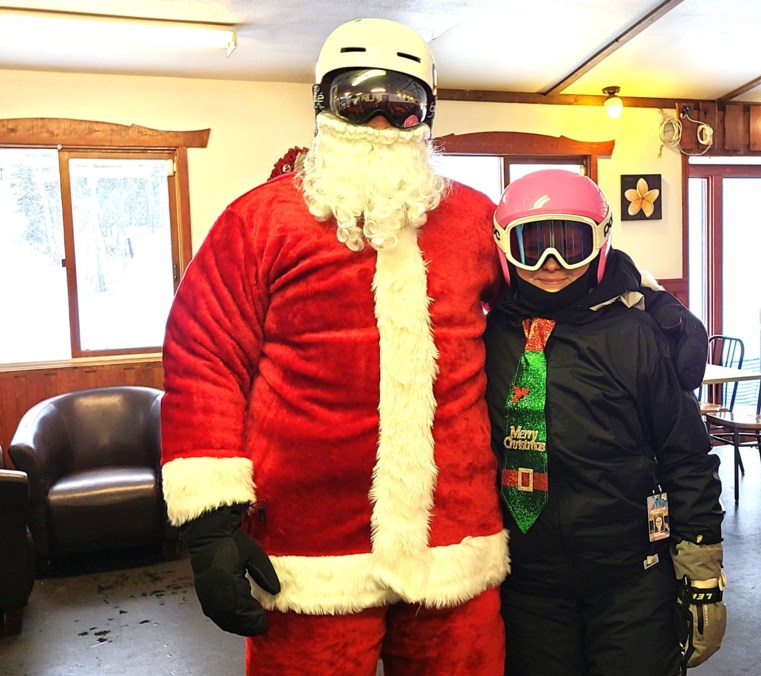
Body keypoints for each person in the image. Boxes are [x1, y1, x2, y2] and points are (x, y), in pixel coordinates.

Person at [161, 17, 708, 676]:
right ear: (322, 106)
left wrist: (657, 308)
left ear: (427, 113)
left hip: (455, 545)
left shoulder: (473, 219)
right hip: (313, 551)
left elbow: (556, 274)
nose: (384, 123)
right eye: (360, 100)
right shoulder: (258, 222)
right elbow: (204, 359)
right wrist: (210, 522)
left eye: (404, 104)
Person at [484, 169, 726, 676]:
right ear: (504, 248)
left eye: (570, 245)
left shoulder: (636, 332)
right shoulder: (485, 335)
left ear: (600, 245)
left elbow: (686, 453)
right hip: (527, 581)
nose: (551, 265)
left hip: (630, 576)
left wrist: (701, 573)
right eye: (533, 246)